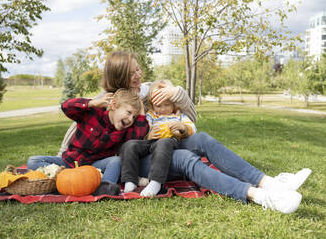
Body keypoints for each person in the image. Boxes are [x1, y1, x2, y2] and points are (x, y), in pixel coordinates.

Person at [56, 51, 311, 214]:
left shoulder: (147, 91)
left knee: (201, 138)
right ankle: (258, 196)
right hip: (139, 159)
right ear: (120, 75)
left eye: (139, 68)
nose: (139, 73)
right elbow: (78, 127)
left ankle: (271, 183)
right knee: (186, 160)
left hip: (166, 143)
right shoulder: (109, 100)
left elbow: (191, 116)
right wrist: (63, 160)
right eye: (133, 71)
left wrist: (177, 93)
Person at [27, 88, 149, 195]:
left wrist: (142, 112)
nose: (130, 119)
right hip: (69, 163)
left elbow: (137, 138)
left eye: (134, 117)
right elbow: (66, 107)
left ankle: (105, 187)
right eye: (128, 112)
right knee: (33, 161)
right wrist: (91, 103)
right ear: (114, 104)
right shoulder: (92, 112)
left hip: (93, 169)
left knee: (116, 161)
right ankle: (64, 180)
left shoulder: (124, 130)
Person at [121, 79, 197, 197]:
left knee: (164, 143)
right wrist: (148, 135)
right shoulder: (151, 115)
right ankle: (130, 180)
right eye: (158, 106)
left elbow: (192, 128)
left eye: (167, 105)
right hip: (150, 141)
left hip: (169, 142)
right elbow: (144, 129)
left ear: (174, 104)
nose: (163, 109)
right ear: (152, 105)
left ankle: (156, 182)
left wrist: (182, 128)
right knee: (130, 145)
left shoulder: (178, 115)